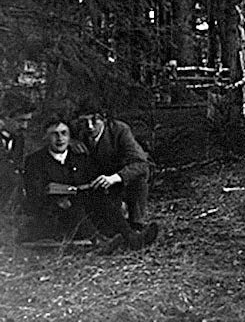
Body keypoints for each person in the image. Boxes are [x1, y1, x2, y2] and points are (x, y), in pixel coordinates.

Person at [20, 118, 156, 251]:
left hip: (82, 204)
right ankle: (101, 243)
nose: (60, 138)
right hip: (54, 211)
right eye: (54, 134)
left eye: (64, 133)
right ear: (45, 137)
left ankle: (132, 237)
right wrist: (55, 198)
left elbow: (91, 180)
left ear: (70, 137)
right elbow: (34, 193)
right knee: (72, 208)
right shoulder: (35, 161)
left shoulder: (79, 157)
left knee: (100, 200)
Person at [75, 103, 155, 231]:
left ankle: (136, 224)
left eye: (95, 121)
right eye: (84, 122)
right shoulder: (76, 135)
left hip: (120, 182)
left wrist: (115, 178)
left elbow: (141, 164)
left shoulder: (119, 131)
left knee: (139, 180)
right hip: (94, 186)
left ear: (104, 119)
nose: (89, 126)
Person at [0, 95, 34, 211]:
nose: (25, 126)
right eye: (20, 121)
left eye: (27, 121)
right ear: (4, 118)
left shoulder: (18, 139)